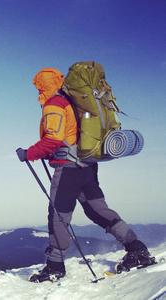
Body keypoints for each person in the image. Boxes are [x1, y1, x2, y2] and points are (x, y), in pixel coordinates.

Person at [16, 68, 155, 283]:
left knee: (58, 216)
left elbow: (53, 139)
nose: (37, 91)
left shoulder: (55, 103)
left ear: (42, 85)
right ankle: (137, 249)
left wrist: (28, 154)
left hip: (68, 169)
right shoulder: (74, 101)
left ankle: (55, 267)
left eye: (38, 87)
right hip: (87, 166)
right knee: (98, 210)